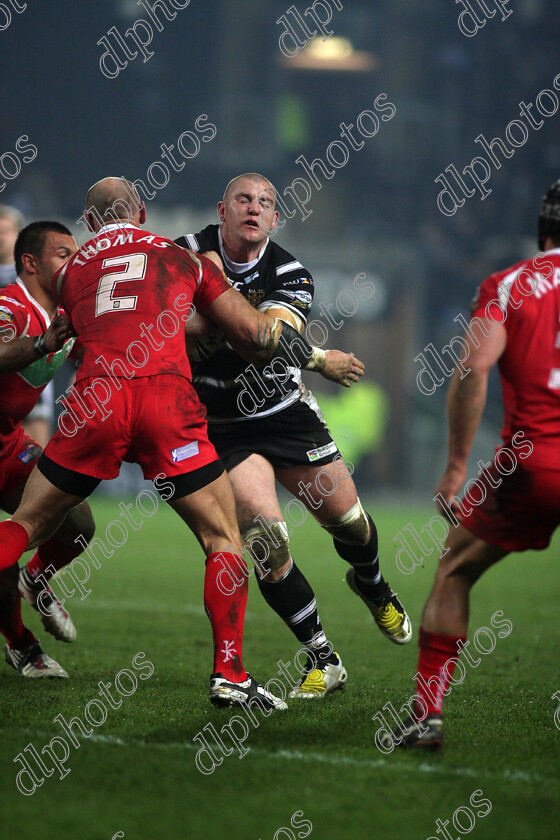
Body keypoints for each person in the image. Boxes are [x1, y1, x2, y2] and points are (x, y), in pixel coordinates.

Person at [0, 177, 362, 708]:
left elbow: (79, 336)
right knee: (222, 538)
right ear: (142, 212)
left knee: (28, 524)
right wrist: (318, 358)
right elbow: (259, 335)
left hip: (97, 399)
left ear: (91, 221)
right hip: (165, 401)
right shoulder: (181, 257)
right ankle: (230, 674)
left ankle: (26, 611)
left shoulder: (74, 269)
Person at [175, 173, 411, 700]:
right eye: (243, 198)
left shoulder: (290, 270)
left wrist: (207, 306)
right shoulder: (184, 250)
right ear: (222, 208)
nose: (254, 208)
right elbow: (168, 321)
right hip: (223, 425)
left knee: (348, 523)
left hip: (283, 412)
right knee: (265, 538)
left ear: (276, 219)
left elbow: (266, 343)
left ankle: (372, 584)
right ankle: (323, 658)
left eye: (265, 202)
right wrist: (230, 317)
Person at [380, 178, 560, 750]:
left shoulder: (508, 286)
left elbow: (473, 369)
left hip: (536, 464)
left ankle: (428, 716)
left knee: (455, 567)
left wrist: (457, 464)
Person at [0, 220, 96, 678]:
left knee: (76, 521)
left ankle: (36, 579)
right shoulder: (8, 304)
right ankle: (22, 646)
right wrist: (41, 344)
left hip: (8, 443)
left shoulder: (64, 315)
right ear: (31, 263)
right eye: (63, 254)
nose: (73, 262)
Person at [0, 204, 55, 448]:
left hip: (33, 359)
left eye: (6, 231)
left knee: (35, 427)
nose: (1, 238)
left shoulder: (33, 273)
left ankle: (30, 480)